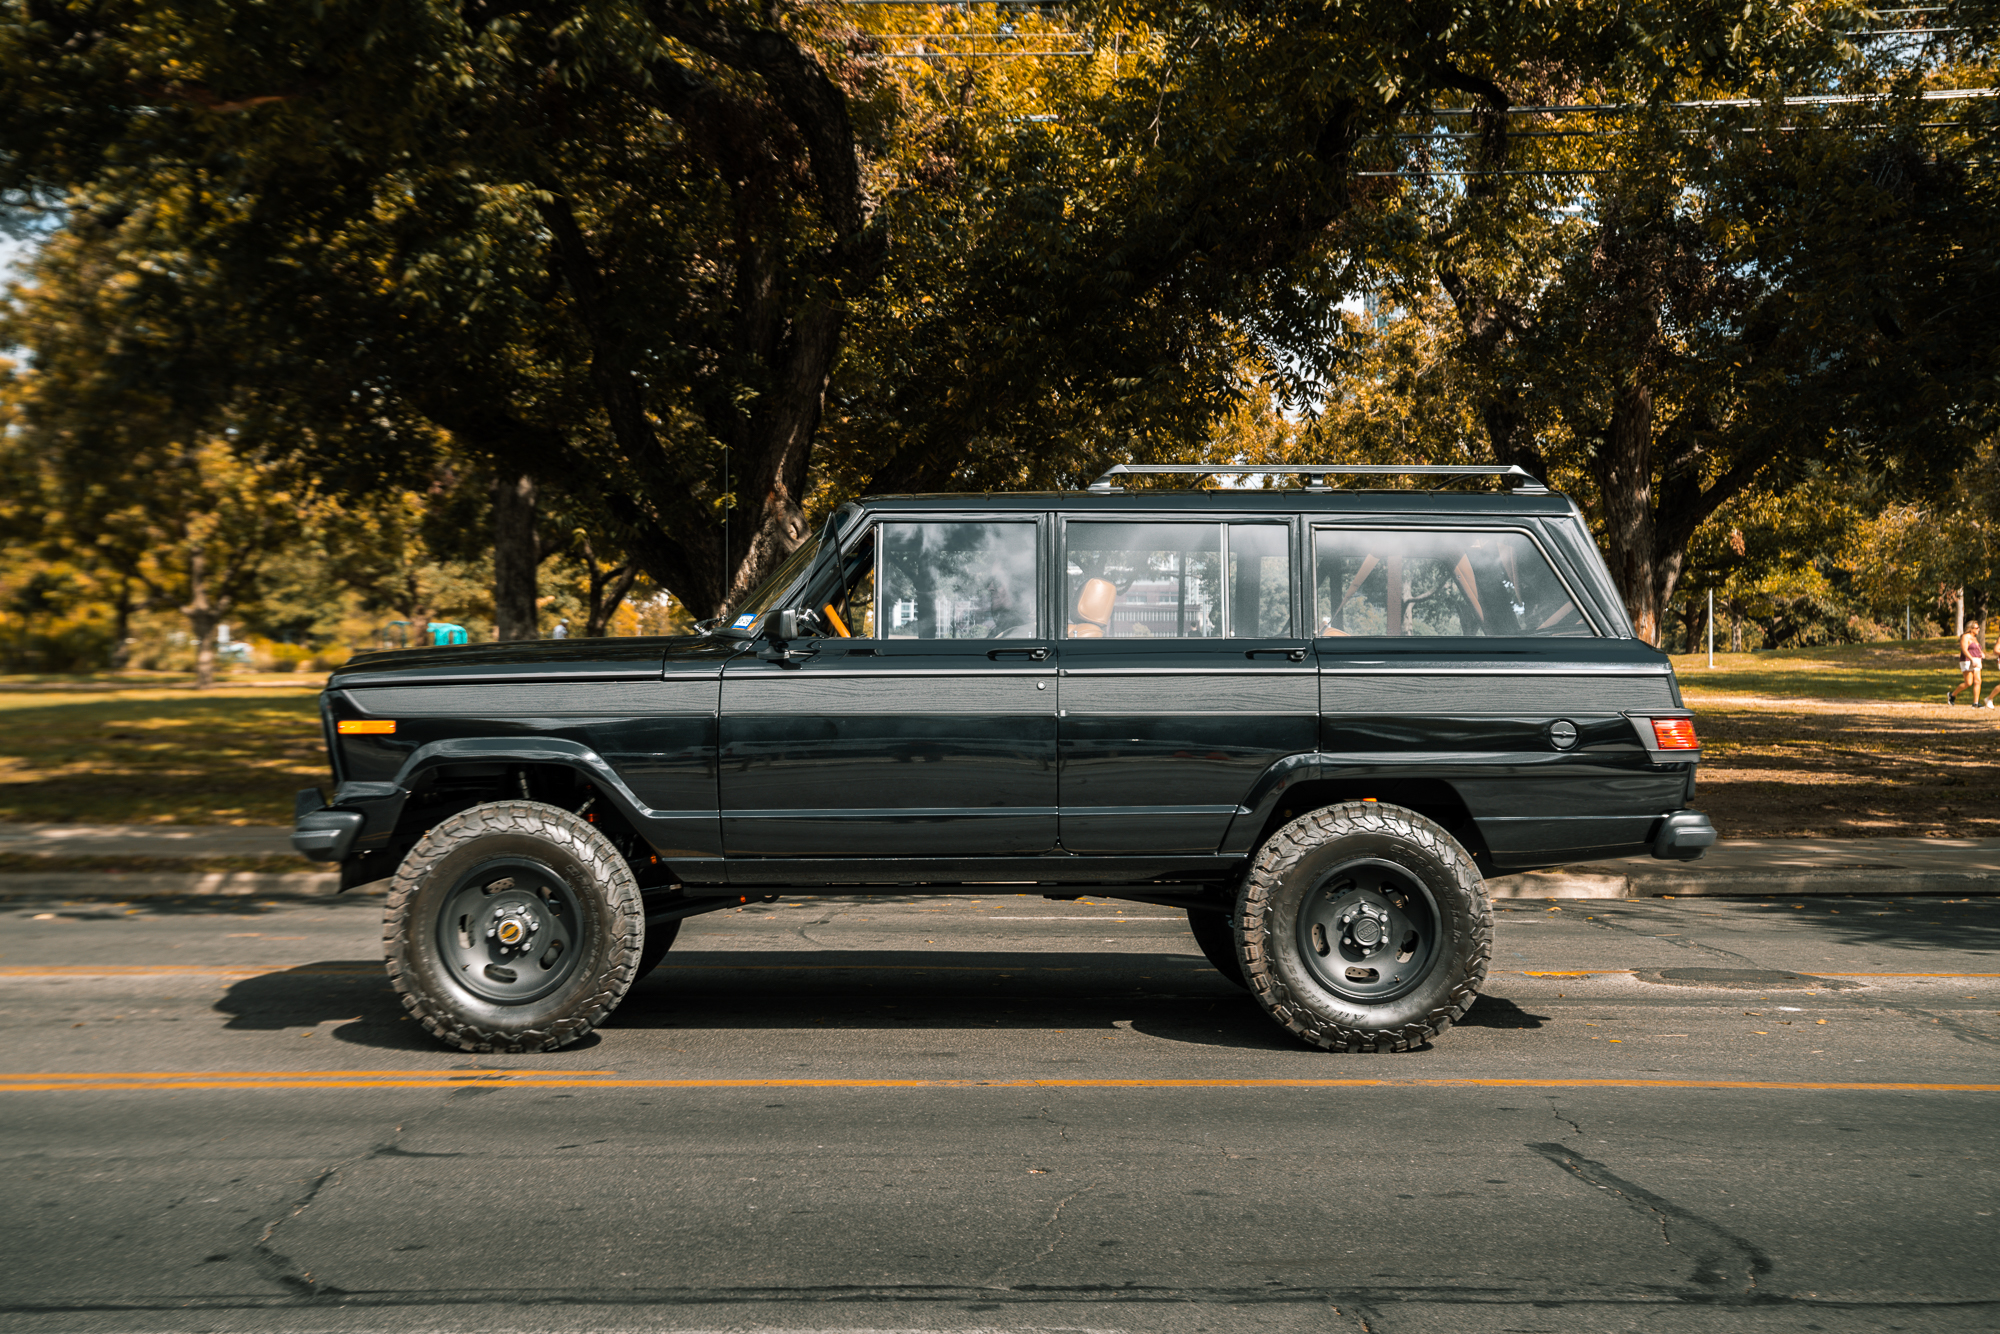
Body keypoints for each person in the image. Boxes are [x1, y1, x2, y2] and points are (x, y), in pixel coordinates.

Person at [1948, 620, 1989, 706]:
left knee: (1978, 681)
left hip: (1977, 660)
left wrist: (1981, 653)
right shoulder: (1965, 637)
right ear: (1971, 629)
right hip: (1967, 660)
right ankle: (1952, 695)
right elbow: (1964, 650)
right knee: (1968, 683)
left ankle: (1975, 703)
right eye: (1977, 628)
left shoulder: (1975, 638)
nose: (1979, 629)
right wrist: (1971, 659)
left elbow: (1976, 648)